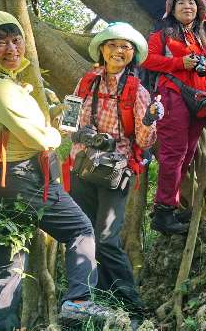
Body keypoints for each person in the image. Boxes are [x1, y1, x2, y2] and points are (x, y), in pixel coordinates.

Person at [0, 11, 112, 328]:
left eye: (15, 39)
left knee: (10, 264)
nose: (11, 48)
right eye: (0, 41)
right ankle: (79, 302)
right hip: (25, 180)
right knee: (80, 230)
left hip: (2, 184)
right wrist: (53, 133)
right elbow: (37, 137)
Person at [66, 22, 161, 314]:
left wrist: (149, 119)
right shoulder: (85, 82)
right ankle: (94, 298)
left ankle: (132, 303)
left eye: (126, 47)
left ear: (132, 55)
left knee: (107, 238)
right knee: (82, 233)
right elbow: (68, 122)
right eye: (113, 45)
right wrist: (83, 134)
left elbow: (144, 141)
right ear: (102, 50)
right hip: (82, 166)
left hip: (116, 171)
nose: (119, 51)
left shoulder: (138, 91)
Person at [142, 0, 206, 234]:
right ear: (172, 10)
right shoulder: (162, 35)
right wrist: (179, 63)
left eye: (192, 3)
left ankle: (173, 206)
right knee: (173, 153)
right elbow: (146, 59)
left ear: (198, 11)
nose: (187, 6)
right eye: (182, 3)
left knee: (187, 154)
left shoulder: (200, 39)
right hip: (173, 96)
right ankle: (163, 213)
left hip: (198, 103)